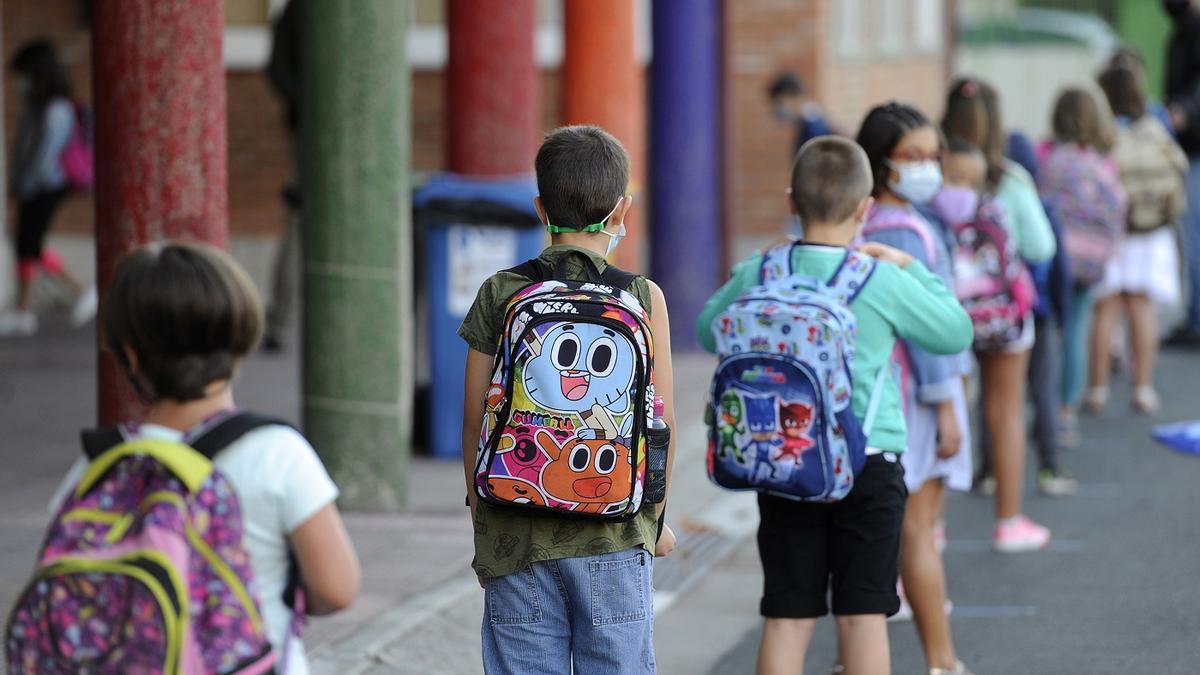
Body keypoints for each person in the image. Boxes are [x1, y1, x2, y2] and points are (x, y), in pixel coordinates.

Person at [698, 136, 973, 675]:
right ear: (866, 209)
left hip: (784, 457)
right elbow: (954, 331)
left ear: (790, 203)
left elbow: (710, 330)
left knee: (787, 614)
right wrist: (909, 266)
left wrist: (752, 266)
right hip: (869, 461)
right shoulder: (880, 277)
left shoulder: (765, 271)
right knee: (862, 613)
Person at [47, 242, 360, 673]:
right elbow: (337, 588)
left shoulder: (96, 466)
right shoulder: (277, 453)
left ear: (129, 356)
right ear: (241, 339)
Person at [458, 125, 676, 675]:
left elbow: (474, 422)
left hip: (516, 535)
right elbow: (659, 426)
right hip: (615, 536)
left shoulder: (500, 291)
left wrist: (484, 524)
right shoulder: (643, 297)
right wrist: (654, 521)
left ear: (539, 208)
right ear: (622, 212)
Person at [857, 104, 973, 675]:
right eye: (913, 156)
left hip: (885, 395)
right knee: (919, 532)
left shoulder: (868, 219)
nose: (928, 167)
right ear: (881, 163)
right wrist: (946, 402)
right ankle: (942, 661)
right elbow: (928, 331)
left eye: (934, 155)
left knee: (896, 533)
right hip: (917, 398)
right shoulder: (901, 228)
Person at [942, 77, 1056, 550]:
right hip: (1005, 316)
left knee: (948, 413)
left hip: (946, 314)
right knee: (1005, 412)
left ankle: (933, 526)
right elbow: (1041, 245)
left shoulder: (937, 175)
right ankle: (1008, 521)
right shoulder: (1010, 178)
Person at [1092, 65, 1187, 414]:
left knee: (1107, 308)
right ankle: (1143, 387)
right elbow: (1178, 168)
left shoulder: (1102, 135)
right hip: (1150, 231)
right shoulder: (1154, 128)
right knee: (1141, 307)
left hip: (1113, 233)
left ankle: (1098, 388)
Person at [1038, 89, 1127, 422]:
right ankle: (1066, 409)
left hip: (1058, 258)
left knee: (1050, 334)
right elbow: (1117, 211)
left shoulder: (1052, 161)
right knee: (1076, 329)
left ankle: (1046, 405)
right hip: (1092, 259)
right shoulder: (1103, 164)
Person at [1, 39, 95, 336]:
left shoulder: (56, 110)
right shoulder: (37, 109)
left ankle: (82, 291)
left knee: (32, 245)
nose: (20, 84)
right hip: (34, 186)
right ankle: (24, 310)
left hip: (47, 186)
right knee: (25, 246)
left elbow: (43, 157)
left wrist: (24, 185)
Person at [263, 0, 304, 352]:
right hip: (312, 134)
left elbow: (276, 70)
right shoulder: (297, 10)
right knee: (298, 222)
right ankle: (280, 321)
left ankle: (280, 322)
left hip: (306, 130)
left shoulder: (293, 10)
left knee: (297, 224)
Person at [1162, 0, 1200, 346]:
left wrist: (1184, 111)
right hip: (1188, 148)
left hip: (1196, 150)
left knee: (1195, 240)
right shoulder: (1180, 33)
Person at [768, 72, 833, 155]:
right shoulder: (809, 121)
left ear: (790, 96)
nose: (778, 109)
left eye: (780, 103)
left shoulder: (814, 128)